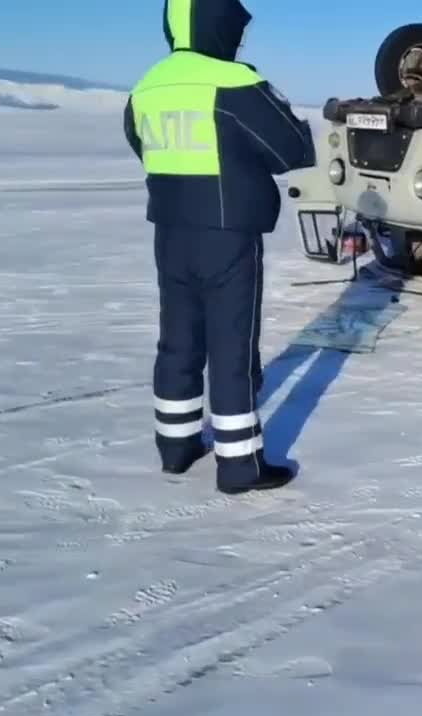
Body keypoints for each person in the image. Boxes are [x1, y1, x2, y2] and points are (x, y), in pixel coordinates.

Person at [122, 0, 316, 494]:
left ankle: (176, 445)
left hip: (170, 230)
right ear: (219, 25)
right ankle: (239, 464)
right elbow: (291, 149)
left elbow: (139, 142)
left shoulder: (147, 85)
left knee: (178, 339)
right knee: (232, 345)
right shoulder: (232, 83)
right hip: (227, 233)